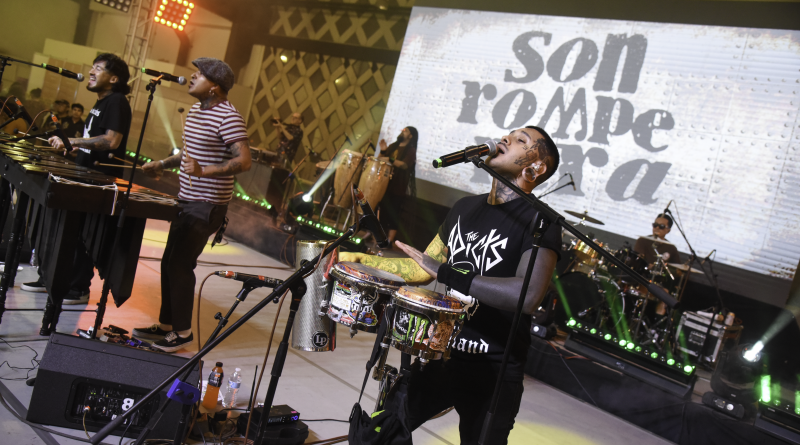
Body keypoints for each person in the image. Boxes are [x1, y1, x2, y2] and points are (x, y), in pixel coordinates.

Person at [341, 126, 561, 444]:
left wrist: (449, 274)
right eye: (508, 134)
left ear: (536, 167)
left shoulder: (541, 220)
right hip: (442, 355)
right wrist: (360, 259)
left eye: (521, 140)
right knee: (379, 432)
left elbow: (526, 296)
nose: (505, 139)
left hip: (493, 370)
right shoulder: (464, 208)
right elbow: (423, 269)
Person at [134, 57, 251, 353]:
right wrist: (162, 164)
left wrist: (204, 171)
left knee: (180, 264)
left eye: (200, 74)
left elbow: (244, 161)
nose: (192, 76)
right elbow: (189, 155)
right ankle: (167, 326)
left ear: (214, 87)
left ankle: (183, 334)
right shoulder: (197, 111)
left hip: (207, 205)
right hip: (186, 199)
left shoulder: (228, 116)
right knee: (169, 262)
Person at [25, 53, 133, 304]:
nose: (92, 72)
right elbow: (91, 143)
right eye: (92, 67)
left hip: (98, 181)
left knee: (82, 236)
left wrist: (71, 140)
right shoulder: (100, 102)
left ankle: (77, 287)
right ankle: (52, 277)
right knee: (62, 230)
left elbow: (111, 141)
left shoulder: (116, 101)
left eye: (98, 68)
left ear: (114, 78)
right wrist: (73, 149)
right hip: (82, 175)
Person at [376, 126, 418, 248]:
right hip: (385, 185)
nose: (402, 131)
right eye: (402, 130)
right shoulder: (393, 146)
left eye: (405, 131)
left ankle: (389, 240)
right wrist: (383, 150)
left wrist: (389, 158)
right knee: (381, 211)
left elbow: (404, 165)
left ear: (410, 136)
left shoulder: (411, 150)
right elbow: (380, 159)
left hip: (398, 187)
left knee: (393, 214)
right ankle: (377, 237)